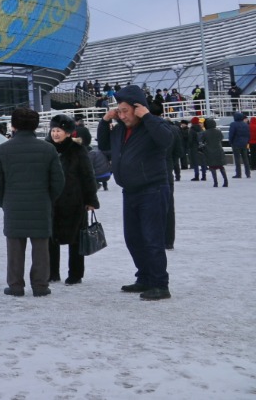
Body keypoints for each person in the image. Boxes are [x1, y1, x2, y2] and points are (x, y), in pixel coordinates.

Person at [97, 85, 176, 301]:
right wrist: (105, 121)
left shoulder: (154, 125)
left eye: (125, 111)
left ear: (138, 108)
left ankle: (160, 284)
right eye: (119, 111)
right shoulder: (121, 129)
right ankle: (145, 277)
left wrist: (148, 117)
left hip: (153, 189)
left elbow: (166, 141)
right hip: (130, 190)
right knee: (133, 238)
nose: (121, 115)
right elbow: (104, 145)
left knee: (152, 238)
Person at [0, 108, 64, 297]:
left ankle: (15, 285)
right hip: (41, 203)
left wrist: (3, 202)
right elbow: (58, 181)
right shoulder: (48, 149)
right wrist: (48, 199)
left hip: (13, 204)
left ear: (13, 125)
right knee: (41, 247)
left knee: (15, 247)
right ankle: (40, 285)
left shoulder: (2, 150)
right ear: (36, 125)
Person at [46, 114, 99, 286]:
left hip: (74, 201)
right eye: (53, 130)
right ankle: (51, 272)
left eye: (59, 131)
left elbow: (88, 176)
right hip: (52, 201)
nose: (55, 134)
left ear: (68, 133)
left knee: (76, 239)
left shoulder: (78, 150)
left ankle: (75, 274)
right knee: (50, 239)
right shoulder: (46, 149)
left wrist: (91, 200)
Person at [201, 118, 228, 187]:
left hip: (209, 151)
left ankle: (215, 182)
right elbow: (221, 138)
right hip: (219, 150)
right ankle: (225, 181)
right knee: (221, 167)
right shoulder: (218, 131)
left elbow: (202, 141)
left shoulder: (205, 132)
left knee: (212, 167)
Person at [230, 113, 251, 178]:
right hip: (244, 143)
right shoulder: (245, 125)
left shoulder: (233, 124)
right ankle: (248, 173)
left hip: (236, 143)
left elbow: (231, 134)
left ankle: (238, 174)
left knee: (237, 159)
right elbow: (248, 134)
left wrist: (230, 142)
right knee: (245, 158)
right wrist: (247, 141)